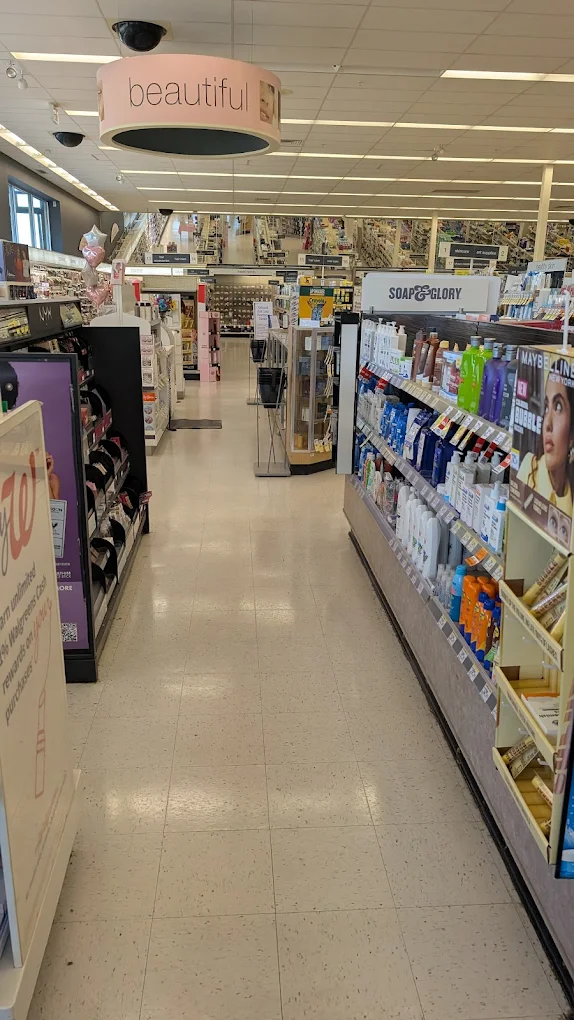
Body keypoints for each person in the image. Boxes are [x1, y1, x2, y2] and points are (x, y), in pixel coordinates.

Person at [517, 357, 574, 516]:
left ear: (572, 434)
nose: (547, 423)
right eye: (547, 407)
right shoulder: (529, 469)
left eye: (558, 407)